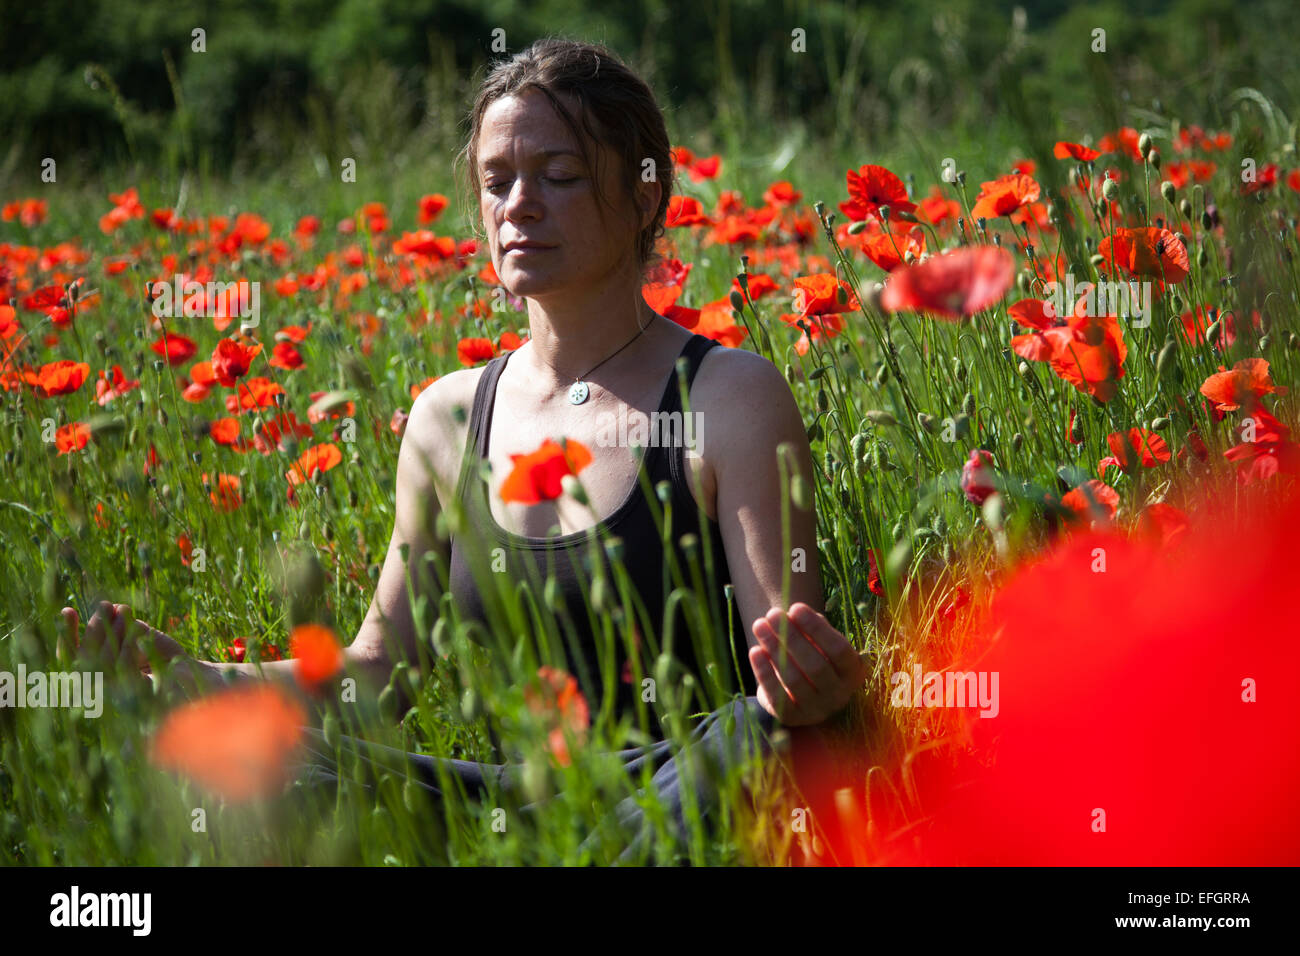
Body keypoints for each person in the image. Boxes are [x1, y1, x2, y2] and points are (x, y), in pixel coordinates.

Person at [61, 36, 868, 863]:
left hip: (679, 787)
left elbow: (784, 663)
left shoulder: (726, 394)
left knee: (758, 737)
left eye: (559, 176)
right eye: (496, 181)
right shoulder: (447, 418)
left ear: (642, 197)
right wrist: (195, 678)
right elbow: (381, 672)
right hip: (507, 808)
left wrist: (812, 686)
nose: (519, 204)